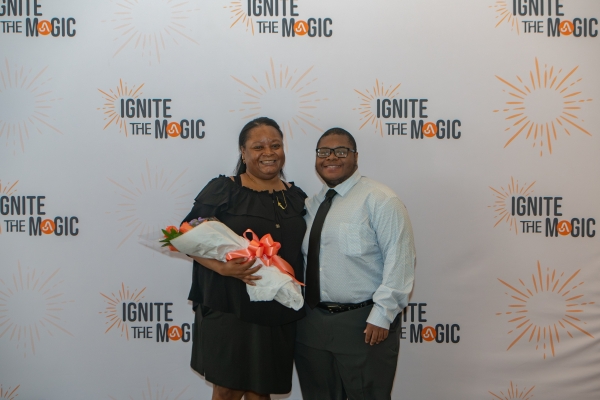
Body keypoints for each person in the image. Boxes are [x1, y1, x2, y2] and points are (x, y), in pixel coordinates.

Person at [182, 117, 307, 400]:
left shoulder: (297, 197)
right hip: (229, 305)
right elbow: (185, 235)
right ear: (243, 151)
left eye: (275, 145)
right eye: (258, 146)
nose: (268, 152)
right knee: (227, 389)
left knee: (260, 392)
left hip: (277, 307)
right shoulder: (224, 189)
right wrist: (223, 268)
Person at [295, 127, 416, 400]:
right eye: (323, 152)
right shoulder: (310, 205)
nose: (331, 157)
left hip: (363, 323)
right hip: (312, 324)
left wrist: (383, 314)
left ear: (356, 157)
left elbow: (400, 259)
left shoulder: (380, 199)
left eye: (341, 151)